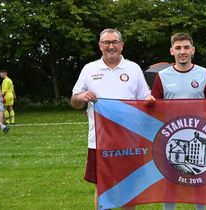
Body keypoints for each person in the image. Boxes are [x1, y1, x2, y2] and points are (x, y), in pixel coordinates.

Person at [70, 28, 154, 210]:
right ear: (100, 46)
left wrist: (149, 101)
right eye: (106, 42)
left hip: (129, 140)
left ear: (122, 45)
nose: (111, 46)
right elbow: (74, 101)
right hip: (99, 141)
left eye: (115, 42)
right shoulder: (89, 69)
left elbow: (145, 99)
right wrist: (82, 96)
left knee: (129, 187)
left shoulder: (134, 68)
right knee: (102, 187)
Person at [151, 32, 206, 210]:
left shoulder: (205, 74)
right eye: (178, 48)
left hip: (198, 134)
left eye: (186, 47)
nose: (183, 51)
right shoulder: (163, 76)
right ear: (172, 51)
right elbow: (154, 107)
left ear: (193, 50)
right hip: (171, 137)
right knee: (170, 180)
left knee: (199, 180)